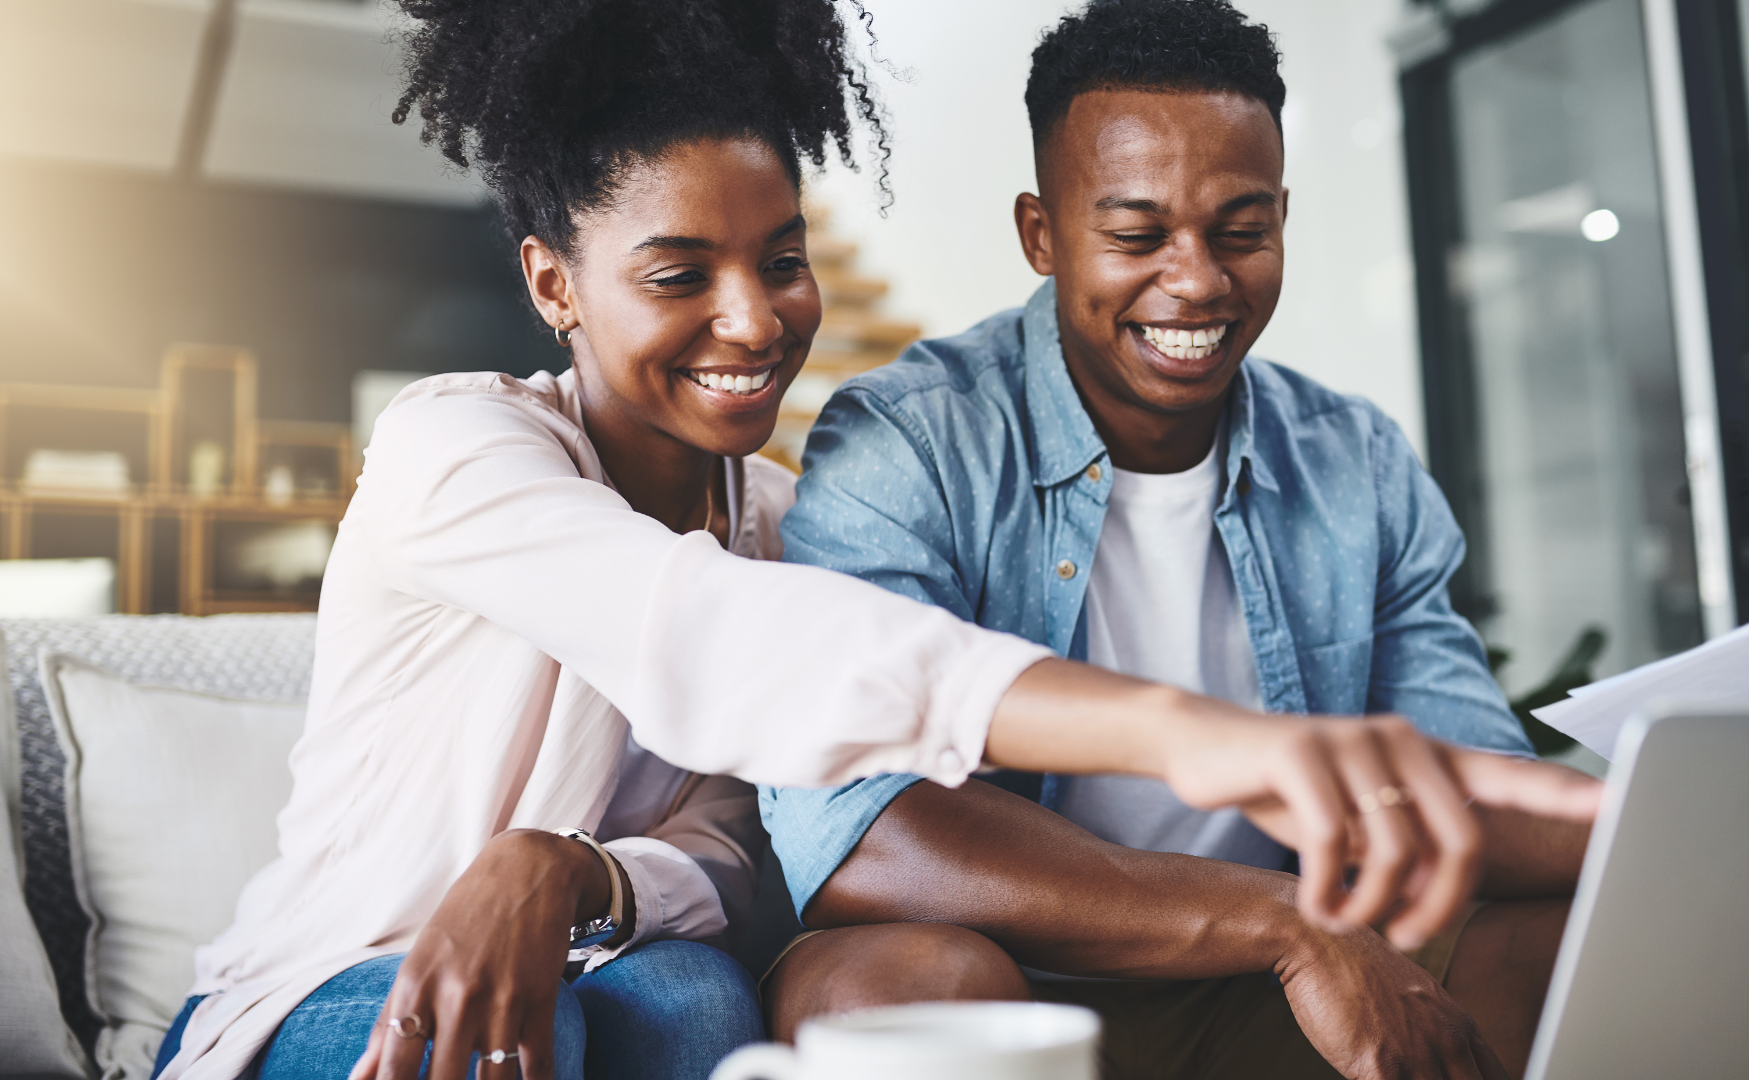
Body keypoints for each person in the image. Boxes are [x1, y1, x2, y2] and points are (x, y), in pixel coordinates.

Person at [151, 2, 1597, 1078]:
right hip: (335, 981)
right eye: (679, 273)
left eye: (780, 262)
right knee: (542, 1036)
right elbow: (731, 650)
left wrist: (576, 872)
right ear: (554, 283)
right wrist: (1197, 739)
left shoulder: (775, 520)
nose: (754, 316)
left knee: (694, 1004)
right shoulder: (455, 451)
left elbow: (733, 847)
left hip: (610, 960)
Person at [757, 2, 1588, 1078]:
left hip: (1272, 989)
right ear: (1041, 234)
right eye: (1137, 235)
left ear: (1282, 216)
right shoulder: (911, 444)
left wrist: (1652, 817)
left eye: (1241, 230)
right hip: (1021, 980)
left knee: (1561, 936)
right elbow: (863, 832)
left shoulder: (1354, 463)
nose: (1196, 279)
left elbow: (1466, 778)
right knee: (906, 986)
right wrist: (1283, 922)